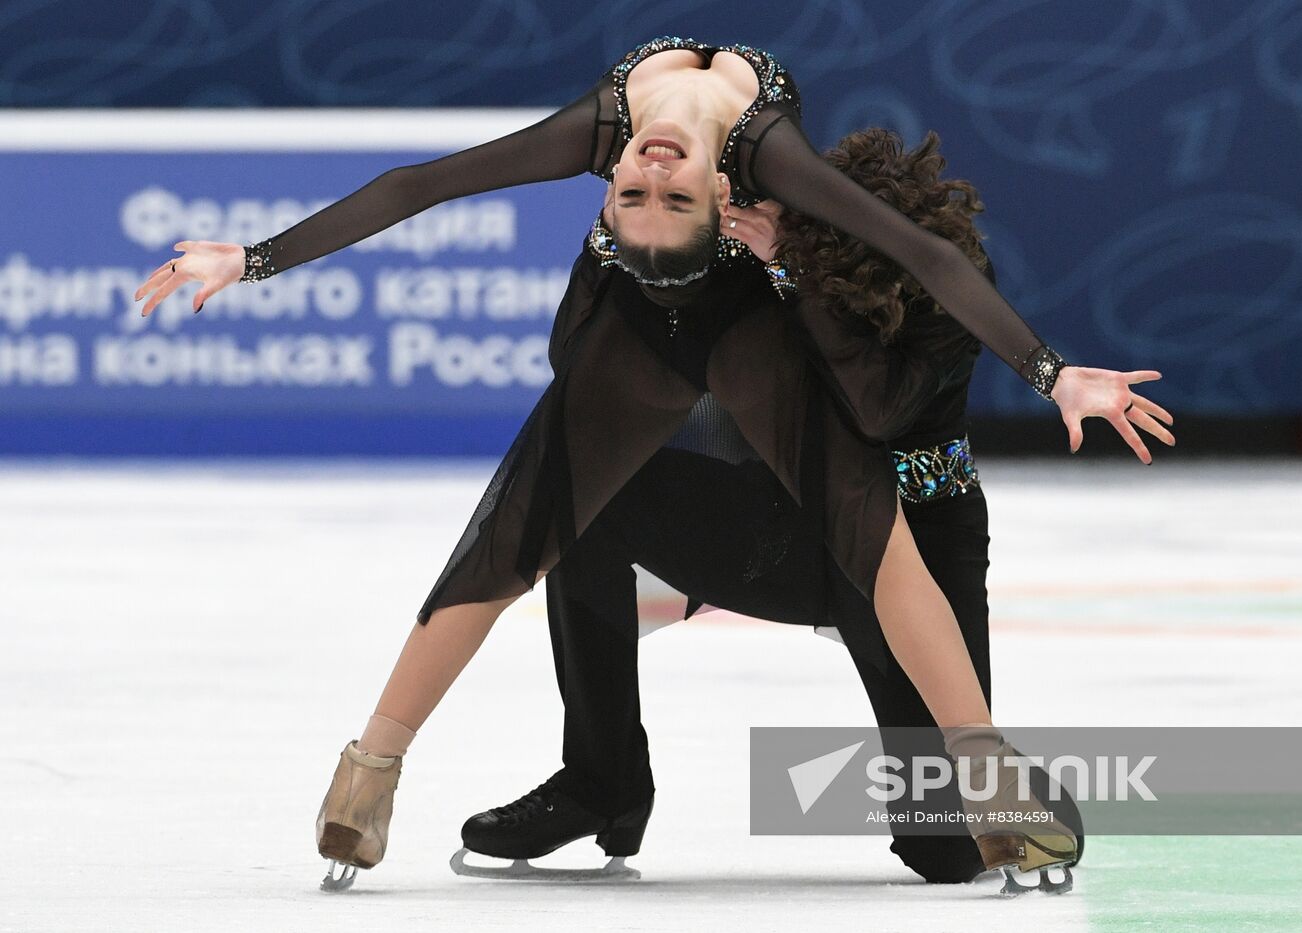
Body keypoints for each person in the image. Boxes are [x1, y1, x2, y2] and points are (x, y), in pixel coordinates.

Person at [132, 36, 1171, 893]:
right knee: (526, 524)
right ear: (639, 197)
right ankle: (373, 779)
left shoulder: (666, 143)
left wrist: (1050, 374)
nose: (655, 173)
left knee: (881, 574)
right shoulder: (714, 151)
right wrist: (251, 258)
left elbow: (929, 258)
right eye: (645, 191)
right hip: (672, 323)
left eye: (652, 188)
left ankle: (971, 783)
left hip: (828, 409)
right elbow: (421, 186)